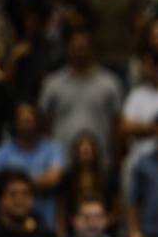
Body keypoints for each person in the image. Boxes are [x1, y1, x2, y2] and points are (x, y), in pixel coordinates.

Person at [38, 27, 122, 165]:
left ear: (91, 49)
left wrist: (115, 160)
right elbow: (44, 124)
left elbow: (117, 126)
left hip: (100, 163)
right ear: (68, 49)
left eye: (83, 47)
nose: (79, 52)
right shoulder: (52, 84)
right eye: (75, 47)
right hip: (61, 164)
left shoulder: (110, 83)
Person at [0, 102, 64, 228]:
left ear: (38, 121)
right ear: (15, 122)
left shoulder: (53, 148)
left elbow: (54, 179)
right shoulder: (1, 152)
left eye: (30, 120)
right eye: (22, 120)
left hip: (46, 220)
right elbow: (0, 185)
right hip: (9, 224)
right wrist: (39, 181)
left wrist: (17, 185)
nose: (26, 125)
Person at [57, 132, 119, 237]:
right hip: (73, 231)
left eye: (88, 151)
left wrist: (100, 224)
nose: (85, 154)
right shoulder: (68, 178)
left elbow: (117, 209)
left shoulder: (108, 177)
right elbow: (61, 209)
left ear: (95, 152)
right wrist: (61, 233)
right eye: (82, 151)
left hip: (105, 231)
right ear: (76, 153)